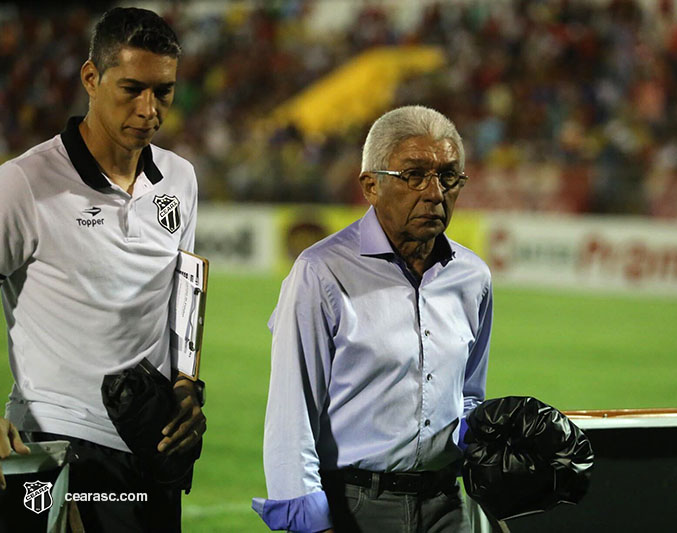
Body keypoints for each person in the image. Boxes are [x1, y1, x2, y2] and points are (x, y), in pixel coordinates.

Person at [0, 7, 205, 531]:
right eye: (132, 88)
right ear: (91, 78)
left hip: (150, 441)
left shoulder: (179, 179)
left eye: (163, 92)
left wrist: (186, 382)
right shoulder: (24, 184)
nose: (149, 109)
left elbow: (187, 288)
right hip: (56, 444)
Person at [253, 105, 493, 532]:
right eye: (414, 175)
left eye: (449, 176)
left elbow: (467, 397)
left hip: (447, 505)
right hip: (356, 506)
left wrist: (494, 436)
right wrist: (311, 523)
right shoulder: (320, 272)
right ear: (370, 186)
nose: (434, 193)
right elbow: (292, 414)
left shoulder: (473, 277)